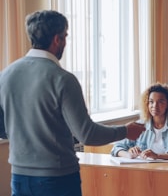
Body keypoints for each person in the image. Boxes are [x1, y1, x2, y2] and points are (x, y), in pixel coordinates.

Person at [0, 10, 145, 196]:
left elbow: (2, 128)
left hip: (19, 176)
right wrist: (125, 130)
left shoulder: (6, 75)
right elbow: (87, 135)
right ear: (57, 39)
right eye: (65, 36)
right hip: (57, 178)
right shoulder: (63, 79)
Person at [111, 83, 168, 161]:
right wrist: (129, 154)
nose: (155, 106)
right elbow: (116, 148)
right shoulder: (140, 125)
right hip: (145, 170)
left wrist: (157, 156)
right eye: (151, 102)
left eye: (160, 102)